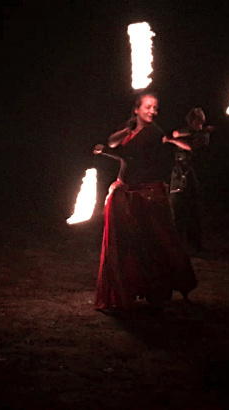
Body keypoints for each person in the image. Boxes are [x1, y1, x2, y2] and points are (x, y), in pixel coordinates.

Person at [92, 93, 198, 312]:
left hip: (146, 195)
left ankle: (157, 289)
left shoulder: (154, 132)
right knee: (126, 244)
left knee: (154, 242)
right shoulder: (131, 129)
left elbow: (127, 154)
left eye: (155, 108)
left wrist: (106, 151)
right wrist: (124, 133)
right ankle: (132, 289)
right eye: (148, 107)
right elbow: (113, 141)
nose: (153, 111)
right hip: (127, 192)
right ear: (136, 109)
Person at [169, 107, 215, 252]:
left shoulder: (204, 135)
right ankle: (178, 245)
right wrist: (176, 136)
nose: (196, 122)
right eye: (194, 119)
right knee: (177, 208)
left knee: (193, 210)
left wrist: (172, 140)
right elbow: (177, 133)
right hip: (178, 173)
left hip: (192, 173)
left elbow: (189, 146)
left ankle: (195, 245)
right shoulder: (189, 132)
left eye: (198, 120)